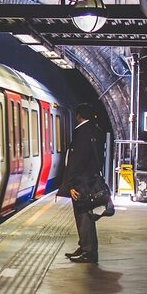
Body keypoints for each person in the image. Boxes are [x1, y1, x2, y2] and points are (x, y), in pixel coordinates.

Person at [60, 103, 104, 264]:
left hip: (81, 183)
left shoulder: (82, 132)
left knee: (83, 217)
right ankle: (84, 246)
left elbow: (77, 160)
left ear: (78, 116)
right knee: (86, 216)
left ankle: (88, 252)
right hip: (90, 179)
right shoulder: (95, 130)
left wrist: (71, 184)